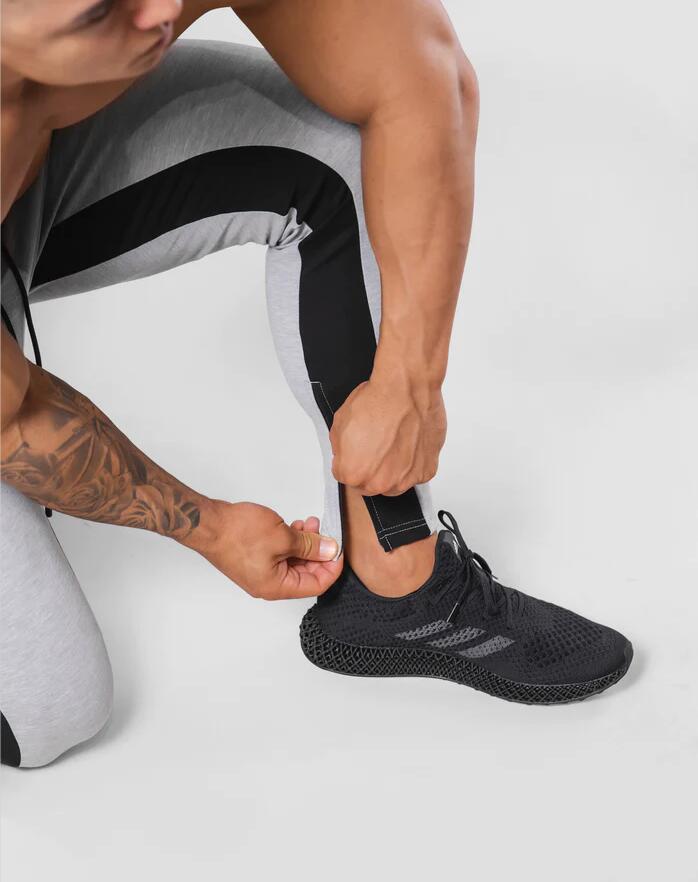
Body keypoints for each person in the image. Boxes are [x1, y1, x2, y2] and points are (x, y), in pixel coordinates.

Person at [0, 0, 632, 769]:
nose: (160, 14)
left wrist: (410, 381)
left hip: (34, 172)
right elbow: (14, 417)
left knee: (342, 150)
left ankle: (396, 587)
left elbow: (419, 74)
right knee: (54, 709)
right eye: (102, 9)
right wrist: (209, 527)